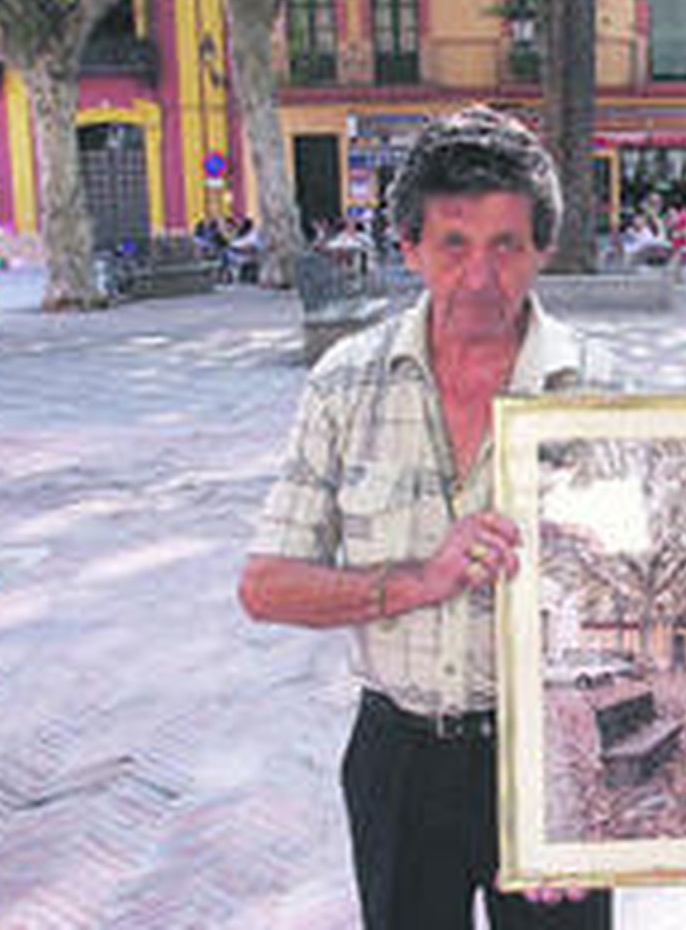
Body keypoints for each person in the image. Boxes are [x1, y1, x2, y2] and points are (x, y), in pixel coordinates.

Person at [239, 106, 614, 930]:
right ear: (408, 247)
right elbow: (265, 586)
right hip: (399, 757)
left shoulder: (600, 387)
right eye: (453, 243)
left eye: (506, 244)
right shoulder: (346, 383)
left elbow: (639, 601)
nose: (480, 275)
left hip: (551, 753)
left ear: (543, 248)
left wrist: (585, 794)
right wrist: (419, 578)